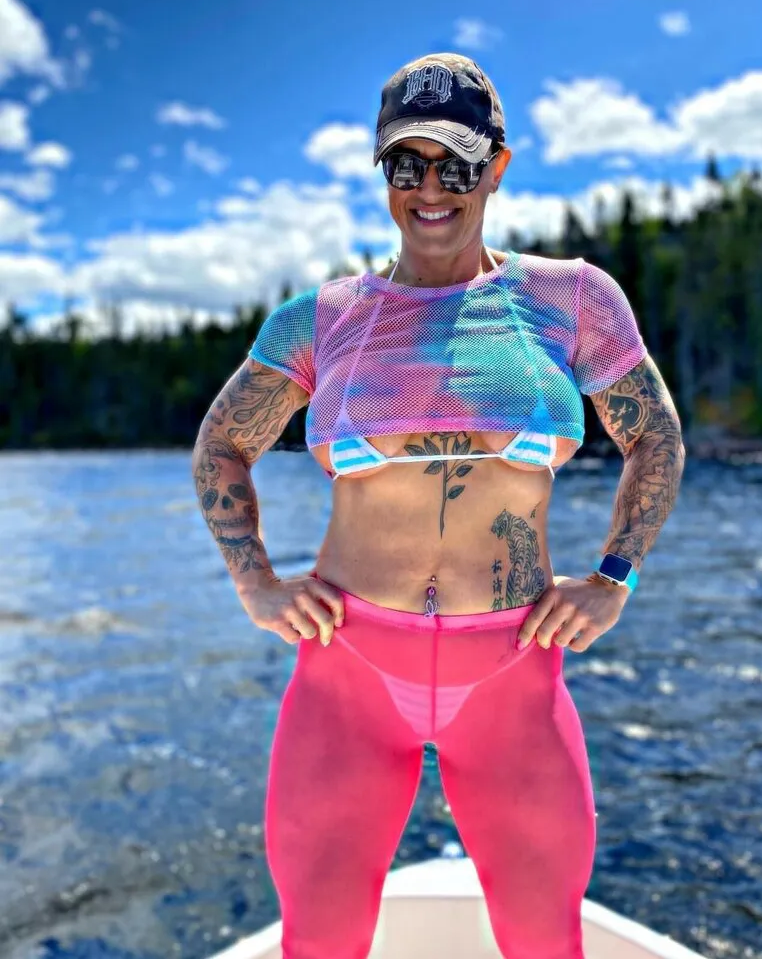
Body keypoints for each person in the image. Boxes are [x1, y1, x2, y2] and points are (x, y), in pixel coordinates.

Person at [192, 52, 686, 959]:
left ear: (497, 168)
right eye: (406, 164)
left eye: (456, 165)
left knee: (544, 940)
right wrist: (254, 580)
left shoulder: (570, 299)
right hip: (346, 671)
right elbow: (221, 443)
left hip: (512, 672)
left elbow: (655, 435)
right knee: (320, 941)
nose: (430, 188)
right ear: (383, 171)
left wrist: (615, 577)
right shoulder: (322, 319)